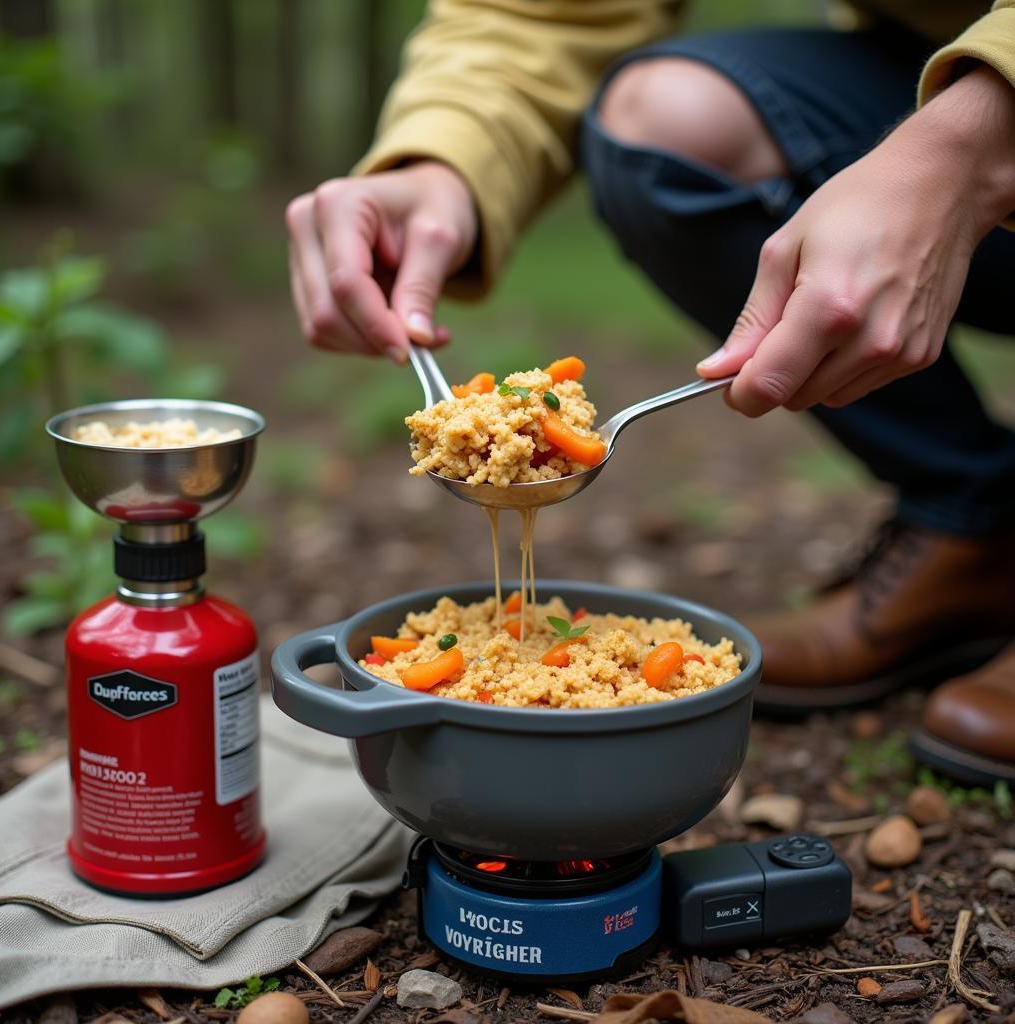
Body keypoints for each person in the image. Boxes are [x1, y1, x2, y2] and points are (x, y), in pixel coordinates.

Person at [285, 0, 1015, 786]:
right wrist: (445, 157)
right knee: (666, 116)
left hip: (986, 106)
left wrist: (968, 146)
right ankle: (975, 530)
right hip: (921, 72)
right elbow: (547, 14)